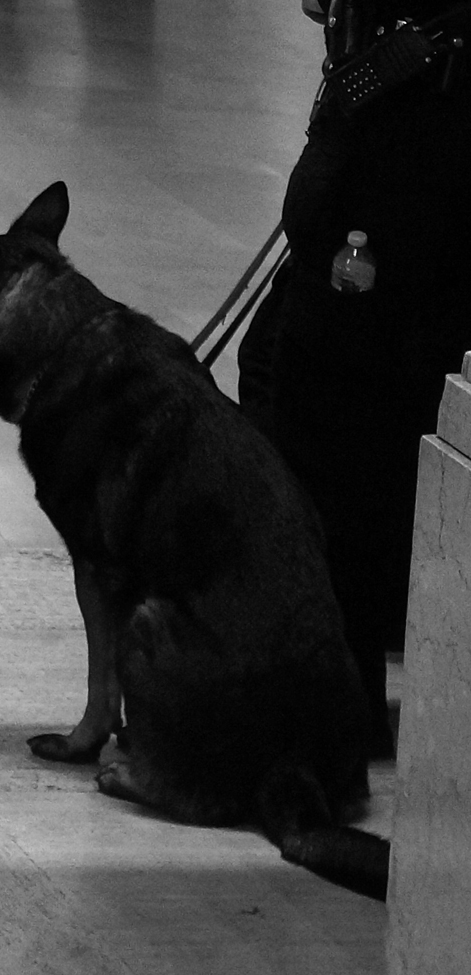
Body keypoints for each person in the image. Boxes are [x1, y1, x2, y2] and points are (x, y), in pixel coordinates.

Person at [238, 0, 471, 758]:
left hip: (405, 195)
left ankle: (340, 696)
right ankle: (334, 681)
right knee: (286, 377)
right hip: (385, 170)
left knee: (352, 447)